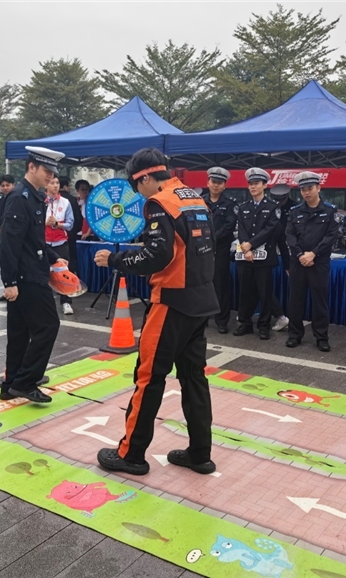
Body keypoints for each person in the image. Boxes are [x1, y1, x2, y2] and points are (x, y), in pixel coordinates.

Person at [93, 148, 219, 476]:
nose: (139, 195)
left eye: (137, 187)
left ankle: (132, 454)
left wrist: (115, 260)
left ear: (145, 177)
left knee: (149, 377)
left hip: (172, 302)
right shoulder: (194, 197)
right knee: (194, 377)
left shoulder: (159, 203)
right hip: (201, 298)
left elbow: (157, 256)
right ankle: (200, 454)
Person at [0, 146, 68, 404]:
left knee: (19, 332)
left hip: (31, 271)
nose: (51, 176)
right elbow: (9, 242)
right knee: (48, 326)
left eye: (53, 172)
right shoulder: (20, 197)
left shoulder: (34, 197)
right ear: (31, 167)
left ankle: (11, 384)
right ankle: (26, 381)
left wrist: (54, 257)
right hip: (26, 277)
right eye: (46, 170)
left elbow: (33, 240)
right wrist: (9, 282)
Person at [286, 172, 339, 352]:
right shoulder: (295, 211)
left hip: (319, 262)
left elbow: (331, 236)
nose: (306, 192)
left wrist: (313, 254)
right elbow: (290, 235)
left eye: (310, 188)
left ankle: (321, 337)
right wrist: (301, 254)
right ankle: (294, 335)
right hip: (298, 261)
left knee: (319, 301)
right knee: (295, 300)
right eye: (303, 189)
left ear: (318, 188)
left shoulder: (330, 211)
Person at [233, 168, 280, 341]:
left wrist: (250, 244)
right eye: (250, 184)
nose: (253, 187)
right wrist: (246, 248)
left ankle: (264, 326)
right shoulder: (243, 207)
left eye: (256, 184)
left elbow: (270, 229)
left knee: (264, 293)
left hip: (264, 257)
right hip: (245, 256)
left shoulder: (273, 207)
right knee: (245, 292)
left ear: (265, 185)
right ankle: (245, 323)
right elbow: (241, 229)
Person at [202, 167, 236, 334]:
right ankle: (202, 318)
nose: (216, 185)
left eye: (219, 183)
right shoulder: (200, 202)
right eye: (213, 182)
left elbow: (229, 226)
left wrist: (213, 238)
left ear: (224, 185)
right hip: (201, 249)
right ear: (208, 183)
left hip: (221, 250)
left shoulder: (230, 204)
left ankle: (222, 321)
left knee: (221, 285)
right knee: (202, 284)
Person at [45, 175, 75, 314]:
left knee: (63, 273)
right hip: (44, 243)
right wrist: (45, 223)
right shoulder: (40, 201)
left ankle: (66, 302)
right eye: (52, 183)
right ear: (46, 185)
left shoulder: (65, 202)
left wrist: (58, 224)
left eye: (57, 183)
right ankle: (45, 303)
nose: (56, 185)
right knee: (44, 273)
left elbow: (70, 224)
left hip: (61, 242)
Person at [270, 185, 295, 332]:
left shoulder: (293, 209)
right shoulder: (270, 207)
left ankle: (282, 316)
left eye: (282, 200)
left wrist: (287, 264)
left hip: (288, 246)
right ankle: (244, 314)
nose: (279, 203)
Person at [0, 174, 16, 302]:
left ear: (13, 185)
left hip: (13, 239)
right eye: (3, 186)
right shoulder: (2, 200)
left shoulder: (17, 199)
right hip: (2, 238)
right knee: (4, 266)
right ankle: (6, 289)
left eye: (8, 185)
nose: (5, 188)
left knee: (13, 266)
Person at [59, 176, 83, 274]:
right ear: (65, 186)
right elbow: (78, 219)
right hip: (70, 235)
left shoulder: (50, 199)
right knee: (71, 259)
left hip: (55, 238)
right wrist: (75, 230)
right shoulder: (72, 200)